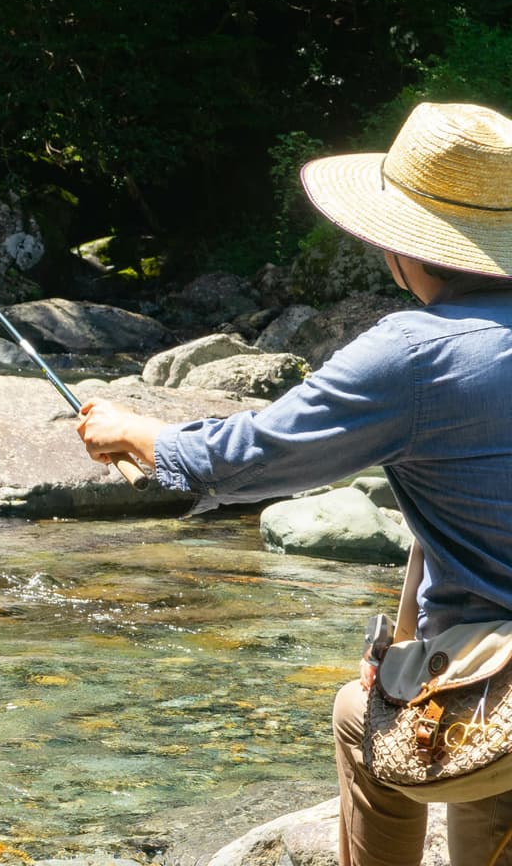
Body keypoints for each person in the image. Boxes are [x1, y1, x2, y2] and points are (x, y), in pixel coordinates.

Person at [75, 101, 512, 866]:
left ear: (400, 246)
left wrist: (136, 435)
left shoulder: (414, 354)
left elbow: (253, 457)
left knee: (359, 716)